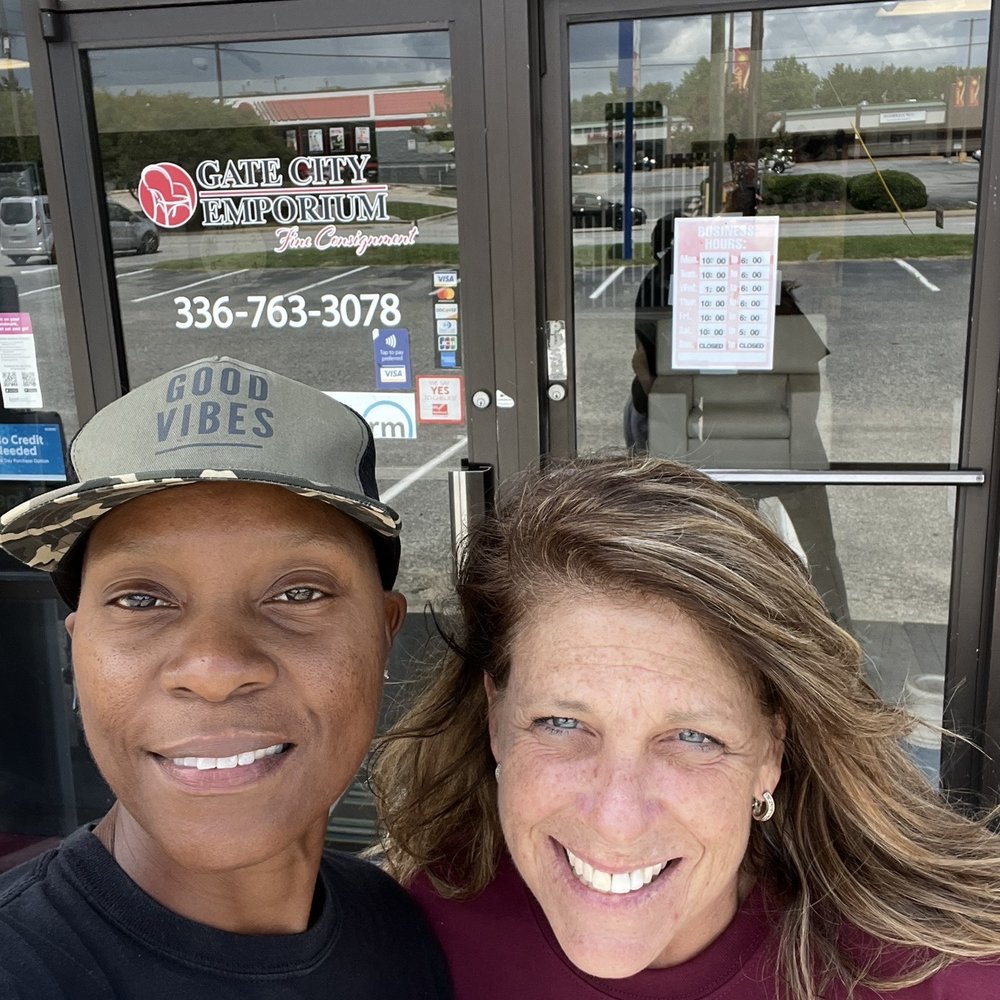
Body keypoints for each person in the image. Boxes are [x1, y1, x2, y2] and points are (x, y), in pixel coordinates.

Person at [370, 455, 1000, 1000]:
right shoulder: (412, 939)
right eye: (561, 722)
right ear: (495, 721)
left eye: (694, 737)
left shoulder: (942, 979)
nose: (616, 821)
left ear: (770, 753)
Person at [0, 356, 452, 999]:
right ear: (78, 649)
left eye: (297, 593)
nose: (213, 668)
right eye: (140, 600)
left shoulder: (400, 930)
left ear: (384, 630)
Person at [625, 213, 675, 452]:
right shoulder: (656, 289)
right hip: (655, 401)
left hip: (652, 399)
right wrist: (660, 404)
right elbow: (642, 361)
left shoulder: (652, 285)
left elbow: (640, 359)